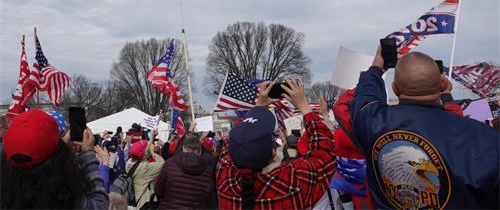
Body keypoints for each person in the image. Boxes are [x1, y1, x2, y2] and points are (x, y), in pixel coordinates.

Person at [350, 48, 499, 209]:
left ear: (395, 88)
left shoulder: (373, 122)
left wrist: (377, 67)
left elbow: (364, 99)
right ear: (442, 84)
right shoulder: (487, 139)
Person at [217, 77, 336, 210]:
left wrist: (258, 106)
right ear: (273, 152)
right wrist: (303, 106)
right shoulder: (293, 180)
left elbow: (232, 142)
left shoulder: (224, 179)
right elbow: (325, 153)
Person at [0, 109, 108, 209]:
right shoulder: (65, 196)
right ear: (58, 155)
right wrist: (88, 156)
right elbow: (99, 205)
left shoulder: (6, 192)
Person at [155, 133, 215, 209]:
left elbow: (158, 190)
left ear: (183, 149)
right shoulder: (208, 171)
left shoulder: (170, 164)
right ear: (200, 152)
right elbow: (209, 198)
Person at [125, 133, 164, 209]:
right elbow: (162, 164)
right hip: (143, 204)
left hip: (133, 201)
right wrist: (153, 152)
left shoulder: (129, 162)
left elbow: (143, 151)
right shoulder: (144, 167)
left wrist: (152, 137)